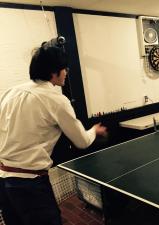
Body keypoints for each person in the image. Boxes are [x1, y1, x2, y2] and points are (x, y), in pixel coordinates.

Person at [0, 44, 107, 225]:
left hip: (3, 180)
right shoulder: (56, 100)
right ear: (53, 72)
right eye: (64, 68)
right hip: (30, 184)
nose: (66, 72)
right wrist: (94, 131)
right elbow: (81, 141)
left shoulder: (10, 92)